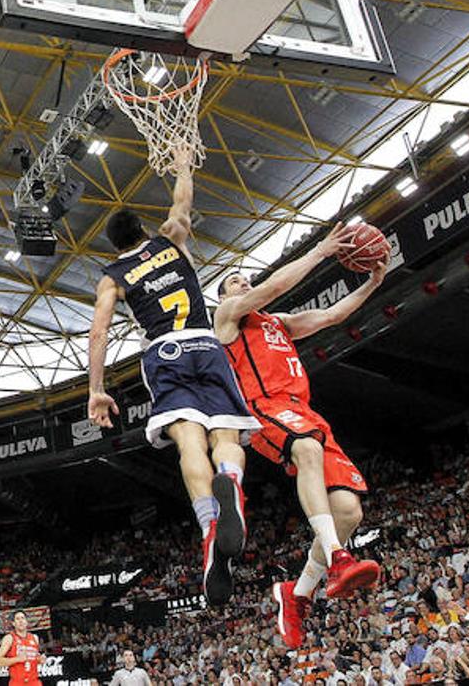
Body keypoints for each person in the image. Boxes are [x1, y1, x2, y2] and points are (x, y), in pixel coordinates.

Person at [88, 147, 260, 606]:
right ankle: (232, 484)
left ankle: (210, 529)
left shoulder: (112, 277)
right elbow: (183, 201)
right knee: (227, 437)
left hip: (164, 352)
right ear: (143, 230)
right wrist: (183, 164)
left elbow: (101, 330)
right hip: (206, 342)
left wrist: (97, 389)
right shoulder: (171, 239)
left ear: (115, 247)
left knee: (188, 441)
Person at [213, 225, 386, 647]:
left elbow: (331, 316)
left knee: (349, 512)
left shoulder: (279, 323)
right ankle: (339, 558)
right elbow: (272, 286)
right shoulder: (228, 317)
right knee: (306, 449)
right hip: (265, 407)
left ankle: (298, 593)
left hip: (304, 411)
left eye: (243, 277)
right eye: (234, 281)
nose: (243, 282)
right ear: (223, 297)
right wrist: (322, 252)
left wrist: (373, 282)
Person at [0, 610, 42, 686]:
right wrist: (17, 659)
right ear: (13, 623)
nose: (21, 621)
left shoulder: (34, 638)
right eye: (18, 619)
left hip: (34, 682)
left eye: (23, 618)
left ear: (26, 622)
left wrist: (40, 660)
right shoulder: (9, 638)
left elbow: (34, 658)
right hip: (17, 682)